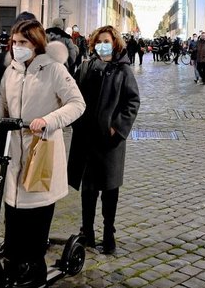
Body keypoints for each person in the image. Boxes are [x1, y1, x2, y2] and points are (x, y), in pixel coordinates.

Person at [0, 18, 85, 287]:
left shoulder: (54, 70)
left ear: (36, 43)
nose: (17, 47)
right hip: (13, 153)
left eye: (23, 43)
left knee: (37, 216)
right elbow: (1, 104)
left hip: (41, 150)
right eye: (14, 43)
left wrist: (49, 120)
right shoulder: (11, 71)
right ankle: (13, 265)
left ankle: (34, 270)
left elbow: (77, 104)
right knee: (12, 213)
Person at [68, 25, 141, 255]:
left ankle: (109, 232)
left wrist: (117, 128)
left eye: (106, 40)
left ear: (115, 42)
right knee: (88, 189)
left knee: (110, 189)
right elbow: (74, 95)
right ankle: (87, 231)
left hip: (110, 141)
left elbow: (132, 101)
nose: (102, 45)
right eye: (98, 41)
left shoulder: (123, 70)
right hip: (86, 137)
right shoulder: (86, 66)